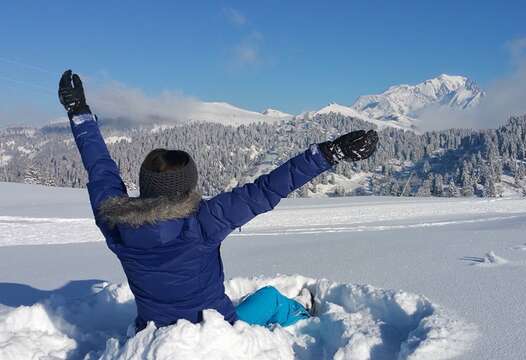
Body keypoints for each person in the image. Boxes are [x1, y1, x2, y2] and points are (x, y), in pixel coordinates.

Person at [58, 70, 379, 332]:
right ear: (187, 188)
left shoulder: (115, 224)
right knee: (269, 299)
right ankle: (303, 320)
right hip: (216, 333)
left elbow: (100, 170)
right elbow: (268, 189)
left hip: (152, 334)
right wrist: (329, 153)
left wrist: (80, 114)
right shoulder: (202, 222)